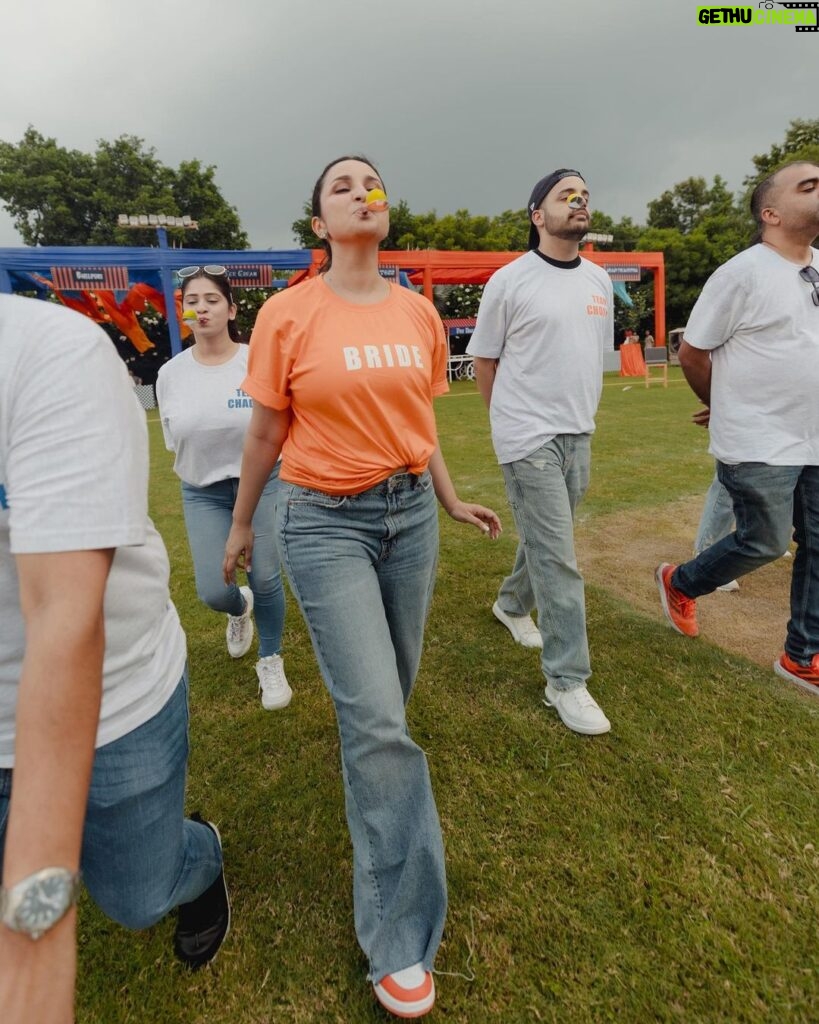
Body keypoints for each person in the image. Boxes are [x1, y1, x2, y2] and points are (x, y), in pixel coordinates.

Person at [223, 155, 500, 1019]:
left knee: (388, 703)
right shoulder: (286, 313)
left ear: (386, 209)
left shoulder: (418, 310)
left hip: (410, 517)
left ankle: (371, 773)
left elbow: (417, 422)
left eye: (369, 182)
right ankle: (399, 936)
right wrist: (239, 524)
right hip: (321, 523)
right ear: (318, 224)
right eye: (340, 186)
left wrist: (447, 497)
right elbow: (268, 429)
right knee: (380, 722)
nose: (359, 192)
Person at [0, 295, 230, 1024]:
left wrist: (31, 946)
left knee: (138, 896)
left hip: (112, 700)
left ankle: (196, 858)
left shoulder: (44, 346)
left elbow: (64, 616)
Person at [656, 161, 819, 696]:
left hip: (814, 436)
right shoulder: (741, 273)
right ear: (770, 213)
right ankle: (680, 581)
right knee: (765, 542)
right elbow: (693, 351)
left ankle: (802, 655)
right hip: (760, 440)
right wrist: (720, 404)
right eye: (808, 185)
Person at [467, 168, 613, 737]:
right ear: (537, 215)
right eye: (564, 195)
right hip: (528, 435)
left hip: (580, 431)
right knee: (560, 557)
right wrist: (505, 424)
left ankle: (510, 603)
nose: (578, 202)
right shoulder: (509, 280)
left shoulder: (599, 281)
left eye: (584, 195)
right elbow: (485, 361)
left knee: (549, 542)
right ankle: (566, 679)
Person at [156, 267, 290, 711]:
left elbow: (277, 427)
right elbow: (176, 442)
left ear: (231, 309)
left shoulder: (257, 360)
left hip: (265, 483)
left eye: (212, 299)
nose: (202, 307)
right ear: (183, 312)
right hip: (203, 492)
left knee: (266, 576)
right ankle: (238, 609)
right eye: (192, 300)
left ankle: (270, 658)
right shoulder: (170, 374)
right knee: (214, 589)